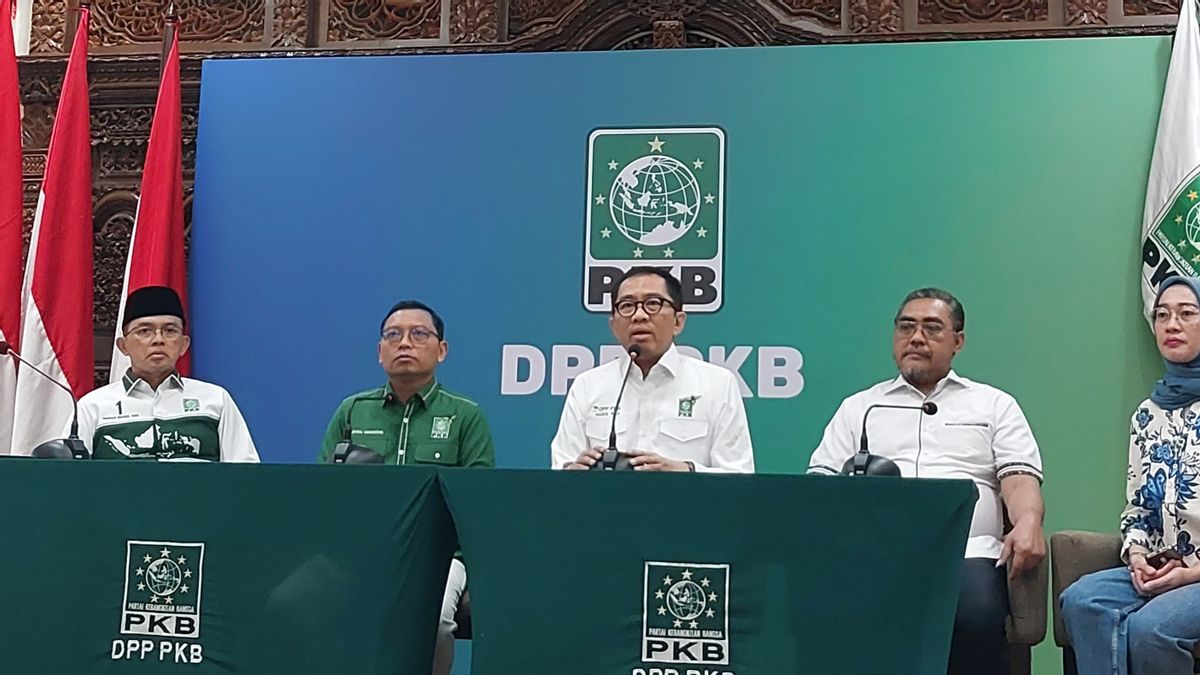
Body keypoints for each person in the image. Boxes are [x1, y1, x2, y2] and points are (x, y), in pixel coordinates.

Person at [807, 287, 1045, 675]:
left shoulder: (993, 404)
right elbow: (820, 483)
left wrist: (1029, 520)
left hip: (967, 553)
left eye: (932, 328)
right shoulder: (861, 408)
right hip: (876, 553)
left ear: (958, 341)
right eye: (906, 327)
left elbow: (1018, 477)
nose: (916, 338)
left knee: (975, 613)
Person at [318, 300, 494, 675]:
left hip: (439, 557)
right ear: (379, 350)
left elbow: (479, 503)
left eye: (418, 334)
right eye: (393, 335)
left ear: (441, 350)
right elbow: (323, 490)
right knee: (290, 601)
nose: (404, 343)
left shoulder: (465, 415)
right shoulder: (352, 410)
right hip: (357, 551)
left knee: (435, 622)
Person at [1060, 276, 1200, 675]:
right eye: (1162, 315)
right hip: (1166, 567)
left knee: (1150, 629)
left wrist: (1191, 575)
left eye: (1187, 313)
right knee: (1082, 600)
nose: (1172, 325)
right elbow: (1138, 509)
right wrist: (1138, 558)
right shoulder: (1147, 414)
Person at [550, 266, 753, 473]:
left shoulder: (717, 383)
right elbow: (560, 468)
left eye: (653, 303)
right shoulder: (588, 385)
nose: (639, 315)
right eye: (627, 306)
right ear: (613, 325)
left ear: (678, 322)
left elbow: (739, 474)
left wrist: (686, 471)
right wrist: (574, 471)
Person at [74, 286, 258, 462]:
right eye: (144, 331)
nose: (158, 340)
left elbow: (245, 473)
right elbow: (72, 476)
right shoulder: (93, 406)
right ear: (123, 346)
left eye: (170, 331)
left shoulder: (216, 400)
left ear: (184, 344)